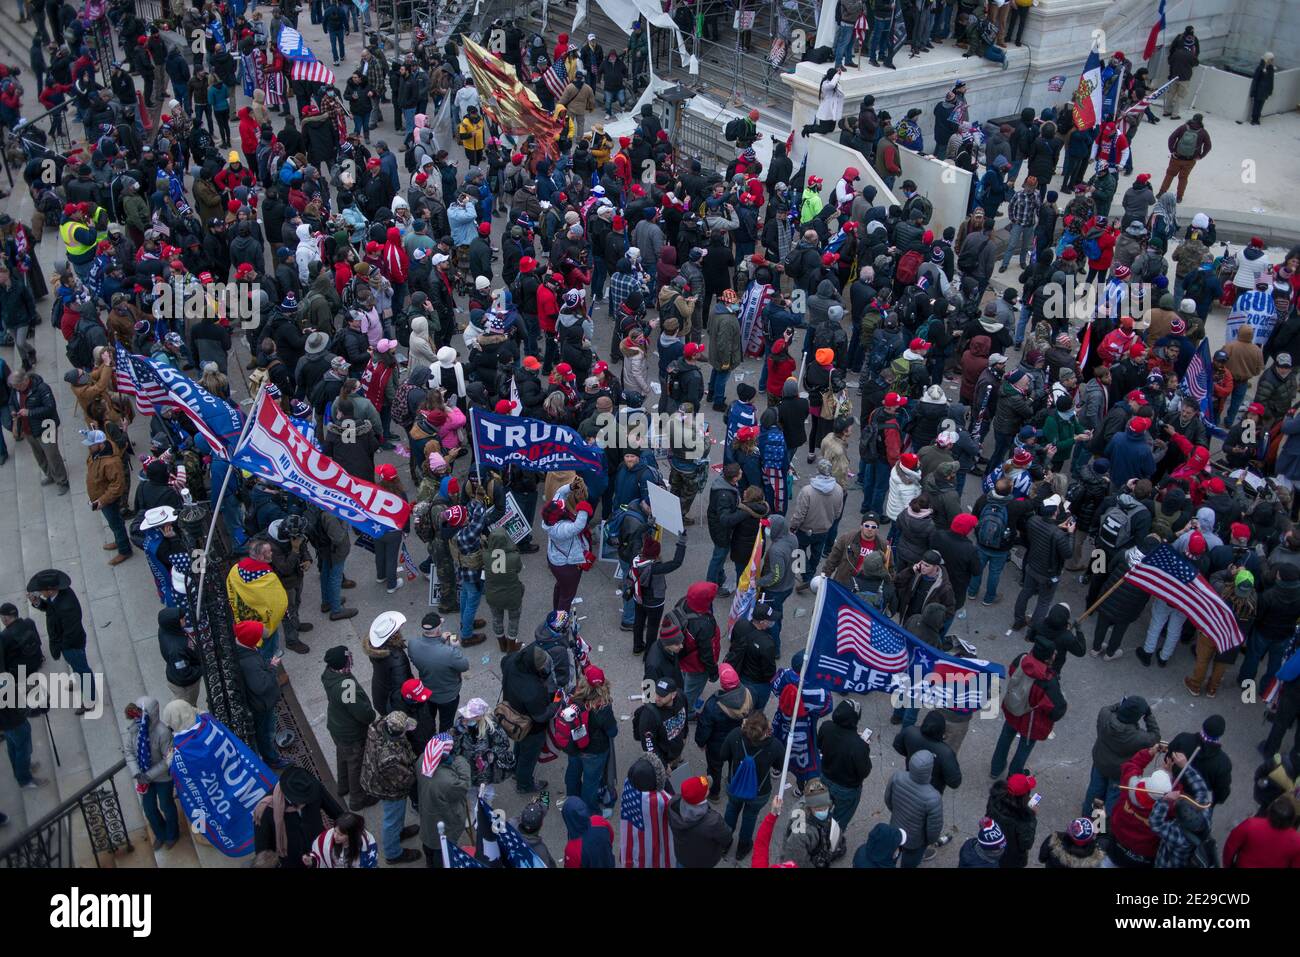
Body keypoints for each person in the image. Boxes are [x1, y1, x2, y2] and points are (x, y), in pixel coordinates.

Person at [989, 642, 1066, 778]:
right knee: (1024, 747)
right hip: (1032, 720)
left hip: (1013, 708)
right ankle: (1014, 775)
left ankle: (995, 768)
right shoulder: (1048, 680)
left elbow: (1012, 670)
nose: (1055, 654)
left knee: (1005, 737)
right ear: (1047, 658)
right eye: (1053, 653)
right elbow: (1056, 710)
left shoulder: (1021, 659)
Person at [359, 709, 423, 866]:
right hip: (389, 789)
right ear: (397, 733)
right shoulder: (389, 757)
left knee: (395, 816)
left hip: (377, 778)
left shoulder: (379, 726)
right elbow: (404, 779)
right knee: (392, 819)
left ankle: (399, 833)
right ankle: (393, 853)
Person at [27, 569, 94, 715]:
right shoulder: (58, 596)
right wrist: (38, 602)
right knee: (77, 667)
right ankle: (78, 680)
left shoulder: (66, 606)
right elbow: (50, 608)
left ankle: (90, 701)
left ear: (50, 590)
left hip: (71, 644)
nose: (39, 592)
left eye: (41, 590)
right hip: (68, 642)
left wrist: (61, 646)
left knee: (83, 670)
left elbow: (71, 631)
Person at [1084, 696, 1160, 817]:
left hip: (1100, 763)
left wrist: (1123, 704)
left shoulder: (1104, 715)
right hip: (1118, 772)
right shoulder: (1139, 737)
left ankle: (1087, 817)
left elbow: (1111, 708)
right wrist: (1149, 715)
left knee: (1095, 791)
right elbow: (1155, 736)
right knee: (1112, 798)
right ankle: (1102, 826)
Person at [321, 645, 376, 811]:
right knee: (356, 763)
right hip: (350, 732)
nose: (350, 659)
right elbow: (360, 712)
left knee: (343, 756)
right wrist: (371, 715)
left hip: (336, 726)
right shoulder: (346, 686)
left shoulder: (328, 674)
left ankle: (343, 787)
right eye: (348, 658)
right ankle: (357, 799)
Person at [721, 710, 782, 860]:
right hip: (759, 792)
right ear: (765, 730)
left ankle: (724, 842)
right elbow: (779, 766)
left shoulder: (736, 735)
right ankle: (743, 847)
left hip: (735, 785)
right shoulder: (774, 745)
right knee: (750, 817)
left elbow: (722, 755)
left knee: (731, 809)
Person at [501, 645, 560, 794]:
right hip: (531, 728)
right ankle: (524, 785)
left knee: (519, 745)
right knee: (529, 756)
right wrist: (556, 703)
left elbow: (503, 662)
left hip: (512, 714)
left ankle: (516, 769)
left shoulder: (511, 660)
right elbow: (542, 716)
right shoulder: (533, 690)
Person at [562, 665, 618, 812]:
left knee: (573, 773)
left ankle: (572, 801)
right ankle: (590, 811)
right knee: (590, 782)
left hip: (574, 746)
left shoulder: (574, 697)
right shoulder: (603, 707)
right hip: (594, 752)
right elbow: (612, 731)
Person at [125, 697, 177, 849]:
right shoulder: (135, 728)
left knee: (166, 806)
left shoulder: (163, 732)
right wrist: (137, 773)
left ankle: (172, 834)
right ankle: (160, 835)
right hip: (143, 777)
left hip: (162, 778)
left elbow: (168, 759)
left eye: (141, 712)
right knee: (149, 809)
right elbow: (129, 752)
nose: (138, 716)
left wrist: (149, 775)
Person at [818, 698, 873, 837]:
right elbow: (864, 771)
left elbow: (820, 746)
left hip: (825, 777)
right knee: (838, 820)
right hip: (847, 789)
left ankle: (817, 831)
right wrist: (865, 746)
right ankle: (829, 842)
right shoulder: (859, 746)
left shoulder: (826, 727)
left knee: (820, 810)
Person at [415, 733, 472, 867]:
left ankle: (429, 862)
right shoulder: (447, 781)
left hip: (427, 813)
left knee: (429, 842)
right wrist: (460, 761)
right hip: (444, 819)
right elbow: (463, 787)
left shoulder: (422, 760)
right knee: (441, 850)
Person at [884, 750, 943, 867]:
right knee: (909, 863)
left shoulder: (897, 777)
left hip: (895, 828)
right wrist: (928, 842)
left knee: (891, 855)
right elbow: (934, 829)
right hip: (915, 841)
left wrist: (896, 813)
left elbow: (888, 800)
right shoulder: (933, 797)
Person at [667, 774, 733, 868]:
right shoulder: (713, 821)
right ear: (703, 796)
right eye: (706, 789)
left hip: (682, 858)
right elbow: (727, 837)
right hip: (704, 862)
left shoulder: (672, 804)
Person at [1222, 797, 1300, 867]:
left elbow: (1230, 847)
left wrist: (1227, 864)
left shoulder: (1250, 825)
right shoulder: (1296, 841)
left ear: (1269, 812)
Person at [985, 773, 1039, 868]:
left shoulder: (995, 798)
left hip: (992, 844)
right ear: (1024, 796)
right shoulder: (1025, 818)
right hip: (1010, 856)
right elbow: (1026, 844)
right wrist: (1032, 816)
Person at [305, 812, 379, 868]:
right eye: (335, 831)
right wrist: (312, 861)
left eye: (340, 835)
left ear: (351, 836)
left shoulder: (368, 846)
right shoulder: (325, 838)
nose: (334, 836)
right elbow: (319, 854)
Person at [1038, 817, 1109, 868]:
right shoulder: (1094, 856)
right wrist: (1101, 816)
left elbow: (1042, 857)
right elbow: (1104, 838)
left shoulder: (1054, 840)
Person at [1248, 53, 1275, 126]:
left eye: (1272, 60)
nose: (1272, 61)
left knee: (1261, 105)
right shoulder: (1260, 67)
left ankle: (1257, 118)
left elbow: (1271, 80)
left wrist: (1270, 90)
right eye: (1271, 59)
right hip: (1259, 90)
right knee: (1256, 105)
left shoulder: (1271, 68)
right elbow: (1255, 80)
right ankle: (1254, 119)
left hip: (1265, 91)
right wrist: (1253, 91)